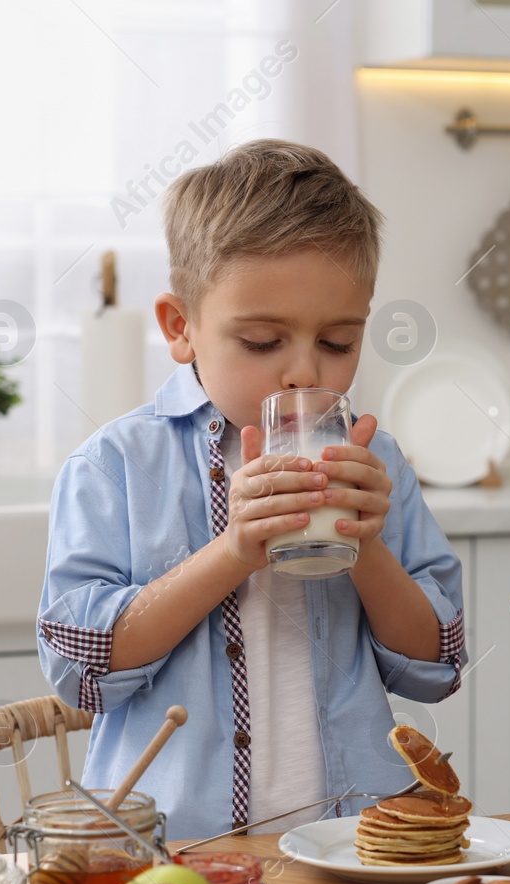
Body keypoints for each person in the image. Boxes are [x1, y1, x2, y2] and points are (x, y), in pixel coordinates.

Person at [39, 140, 465, 840]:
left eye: (338, 341)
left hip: (350, 847)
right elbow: (81, 670)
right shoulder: (113, 466)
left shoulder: (374, 458)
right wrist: (234, 551)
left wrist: (368, 545)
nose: (303, 371)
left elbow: (437, 666)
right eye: (264, 341)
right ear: (182, 327)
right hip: (175, 853)